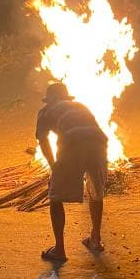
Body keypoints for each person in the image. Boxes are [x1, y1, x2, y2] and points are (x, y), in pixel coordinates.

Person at [36, 83, 107, 263]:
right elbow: (92, 129)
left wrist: (54, 166)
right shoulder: (81, 106)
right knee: (96, 191)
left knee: (55, 195)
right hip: (99, 142)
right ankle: (95, 240)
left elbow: (43, 141)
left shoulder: (45, 112)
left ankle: (59, 249)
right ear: (66, 98)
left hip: (72, 142)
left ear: (49, 100)